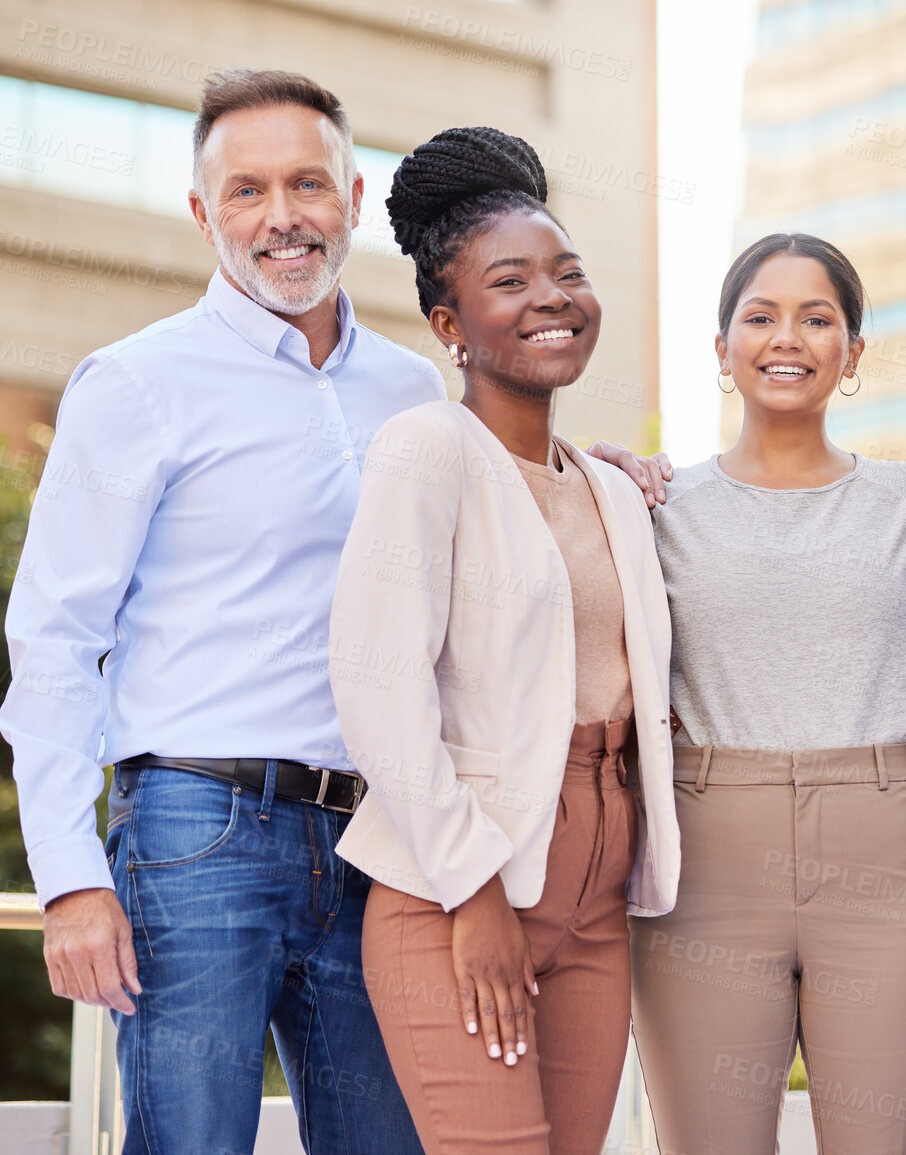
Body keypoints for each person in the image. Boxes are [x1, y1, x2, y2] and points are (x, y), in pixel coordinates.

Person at [0, 69, 664, 1155]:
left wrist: (607, 477)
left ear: (354, 198)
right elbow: (55, 640)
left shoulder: (411, 394)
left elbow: (501, 539)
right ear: (203, 212)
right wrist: (70, 877)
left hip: (385, 844)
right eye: (248, 190)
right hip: (197, 828)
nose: (282, 217)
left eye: (307, 184)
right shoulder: (136, 384)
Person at [327, 126, 677, 1155]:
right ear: (452, 325)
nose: (552, 297)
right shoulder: (426, 451)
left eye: (568, 273)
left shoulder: (613, 488)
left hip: (601, 891)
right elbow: (378, 684)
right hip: (462, 878)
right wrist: (471, 896)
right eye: (511, 281)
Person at [628, 233, 906, 1154]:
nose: (788, 337)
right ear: (721, 345)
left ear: (852, 354)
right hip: (703, 850)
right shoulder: (655, 506)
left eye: (818, 319)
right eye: (760, 316)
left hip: (885, 844)